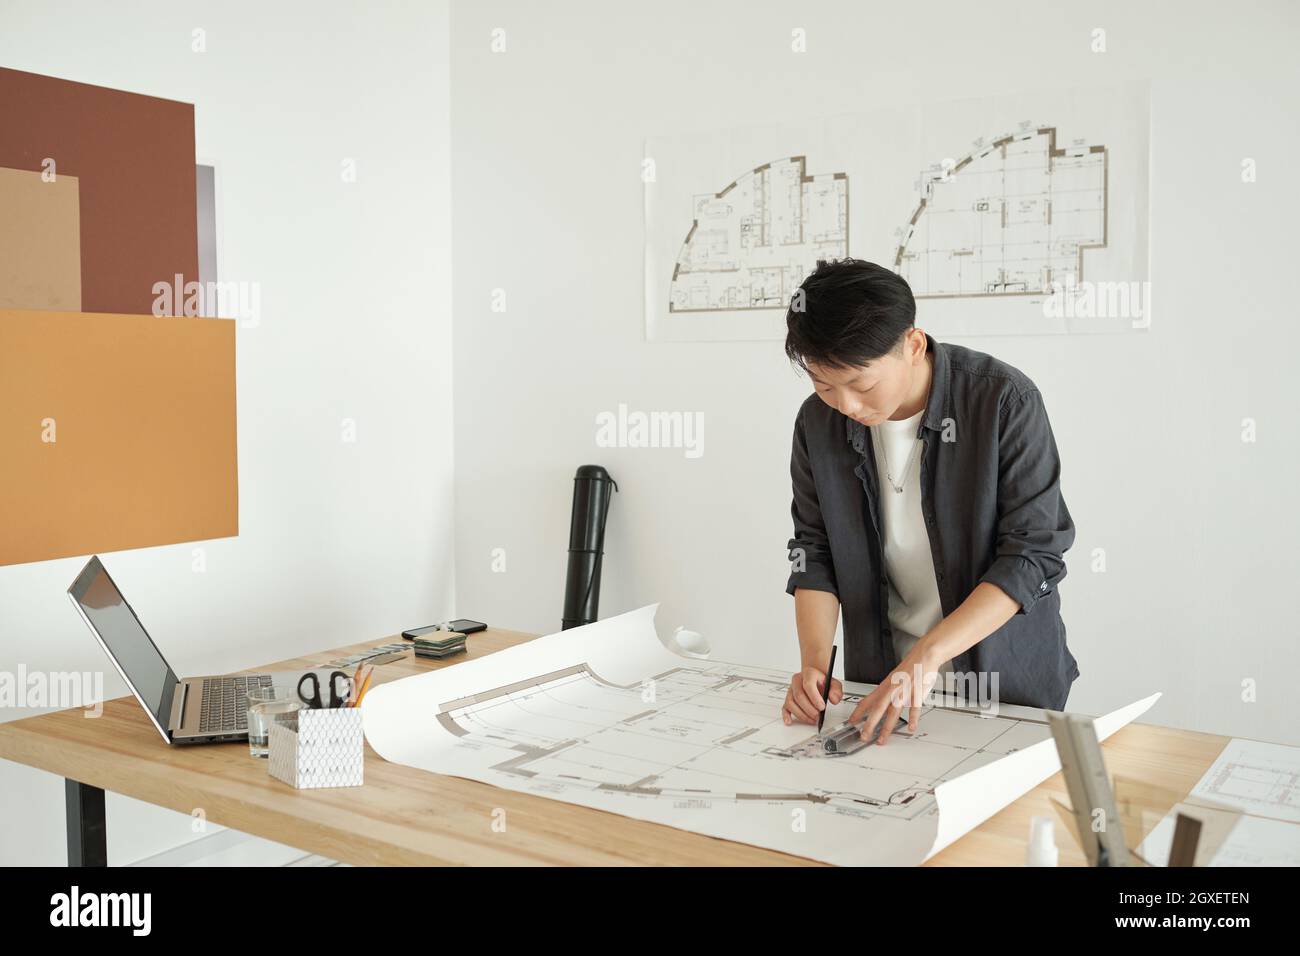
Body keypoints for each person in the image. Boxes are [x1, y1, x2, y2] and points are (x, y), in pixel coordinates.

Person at [781, 258, 1078, 745]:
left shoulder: (1003, 401)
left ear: (913, 345)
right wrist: (815, 665)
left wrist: (926, 656)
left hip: (1005, 689)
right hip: (879, 686)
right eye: (824, 385)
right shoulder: (817, 422)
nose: (847, 407)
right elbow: (814, 550)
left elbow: (1032, 554)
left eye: (861, 384)